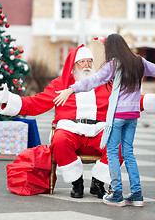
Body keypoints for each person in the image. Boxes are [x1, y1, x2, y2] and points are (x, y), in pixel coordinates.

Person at [0, 44, 153, 200]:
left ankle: (98, 182)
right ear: (74, 65)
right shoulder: (61, 84)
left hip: (99, 130)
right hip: (70, 129)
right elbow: (37, 102)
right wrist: (9, 100)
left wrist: (148, 101)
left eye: (90, 61)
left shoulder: (104, 82)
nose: (87, 65)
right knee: (59, 140)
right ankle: (76, 182)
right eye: (82, 62)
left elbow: (126, 99)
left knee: (117, 145)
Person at [53, 34, 155, 207]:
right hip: (133, 116)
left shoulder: (114, 64)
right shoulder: (139, 62)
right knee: (128, 153)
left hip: (117, 116)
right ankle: (137, 194)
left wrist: (71, 89)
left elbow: (93, 80)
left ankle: (116, 193)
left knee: (112, 152)